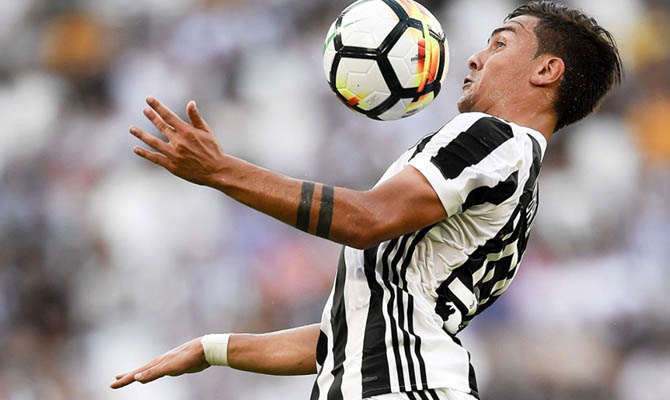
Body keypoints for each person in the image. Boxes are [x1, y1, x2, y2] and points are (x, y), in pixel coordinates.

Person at [110, 1, 622, 399]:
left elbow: (366, 219)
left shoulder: (493, 136)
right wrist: (212, 349)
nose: (475, 57)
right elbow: (349, 332)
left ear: (546, 71)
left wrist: (221, 171)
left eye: (500, 44)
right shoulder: (517, 178)